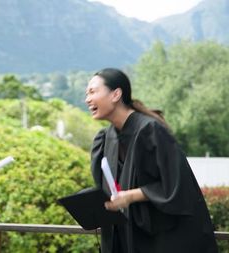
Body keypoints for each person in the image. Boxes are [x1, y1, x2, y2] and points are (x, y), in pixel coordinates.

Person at [85, 68, 218, 253]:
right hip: (128, 238)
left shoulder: (151, 131)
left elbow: (177, 186)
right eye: (87, 94)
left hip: (164, 239)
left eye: (93, 92)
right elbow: (107, 190)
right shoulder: (106, 139)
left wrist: (130, 196)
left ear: (116, 94)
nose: (87, 99)